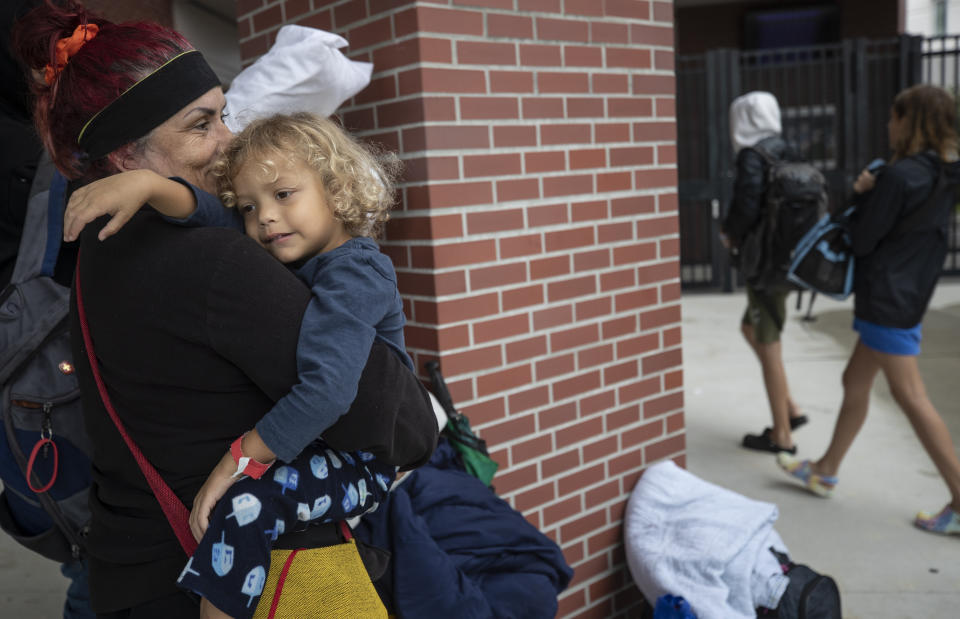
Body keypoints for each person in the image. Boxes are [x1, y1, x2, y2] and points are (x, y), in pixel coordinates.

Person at [14, 2, 436, 617]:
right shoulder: (217, 264)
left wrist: (163, 188)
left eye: (223, 115)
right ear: (127, 155)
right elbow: (402, 428)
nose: (228, 139)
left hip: (130, 574)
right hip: (254, 579)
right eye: (200, 124)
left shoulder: (95, 255)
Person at [65, 112, 412, 618]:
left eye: (283, 195)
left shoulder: (355, 272)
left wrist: (241, 458)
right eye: (250, 206)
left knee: (246, 506)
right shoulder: (289, 248)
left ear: (336, 191)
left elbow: (330, 390)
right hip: (322, 444)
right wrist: (150, 186)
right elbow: (210, 214)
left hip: (364, 462)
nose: (265, 217)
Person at [778, 84, 960, 536]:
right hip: (910, 294)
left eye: (893, 116)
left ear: (908, 121)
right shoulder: (945, 173)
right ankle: (825, 469)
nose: (887, 124)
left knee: (910, 397)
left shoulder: (897, 178)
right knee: (854, 380)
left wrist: (861, 192)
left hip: (886, 300)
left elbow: (861, 240)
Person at [721, 91, 807, 454]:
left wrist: (730, 232)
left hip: (766, 265)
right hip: (792, 259)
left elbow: (747, 203)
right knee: (750, 328)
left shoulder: (752, 157)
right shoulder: (788, 149)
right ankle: (791, 408)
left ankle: (782, 435)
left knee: (767, 341)